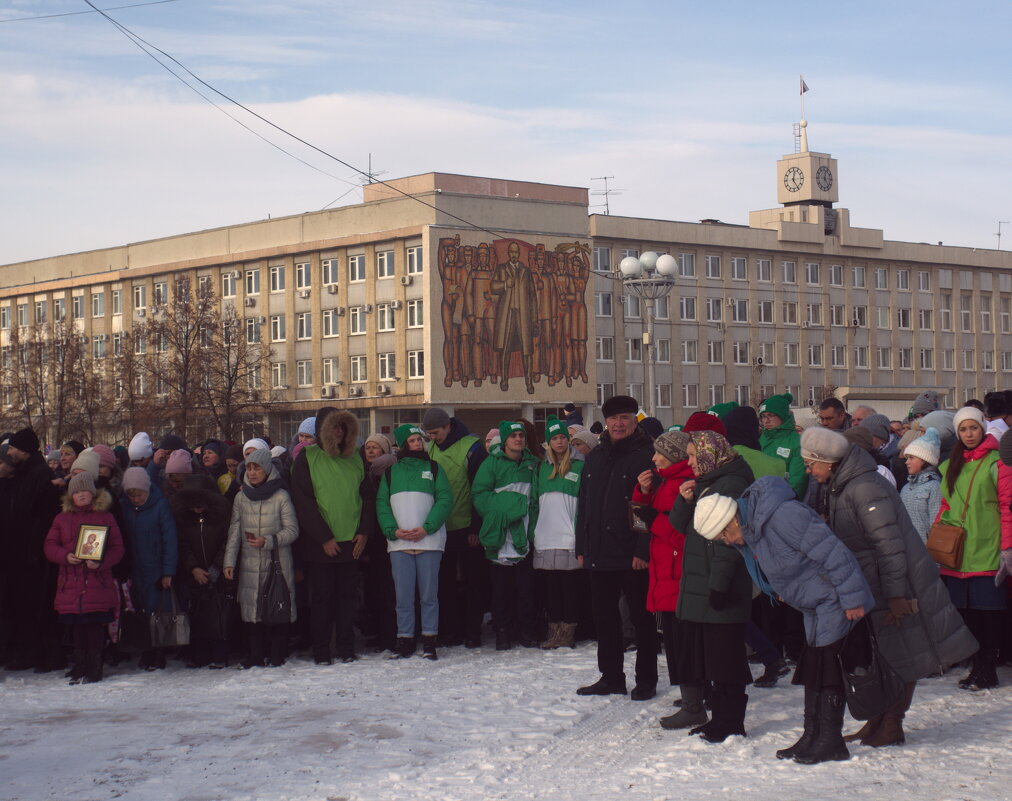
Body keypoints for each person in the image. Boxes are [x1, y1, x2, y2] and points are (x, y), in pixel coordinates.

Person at [799, 426, 978, 746]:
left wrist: (896, 595)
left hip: (898, 583)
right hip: (875, 583)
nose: (808, 470)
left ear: (828, 461)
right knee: (882, 655)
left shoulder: (865, 488)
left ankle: (893, 723)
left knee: (903, 653)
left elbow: (889, 546)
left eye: (811, 463)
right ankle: (877, 720)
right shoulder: (844, 486)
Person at [698, 477, 874, 764]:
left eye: (722, 536)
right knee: (814, 665)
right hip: (812, 602)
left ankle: (831, 740)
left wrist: (853, 597)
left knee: (827, 666)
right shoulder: (752, 528)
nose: (726, 542)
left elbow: (833, 551)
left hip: (833, 597)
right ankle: (812, 734)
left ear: (731, 520)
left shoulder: (783, 515)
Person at [665, 431, 755, 741]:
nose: (688, 462)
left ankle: (730, 722)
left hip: (720, 585)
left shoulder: (730, 486)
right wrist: (683, 499)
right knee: (714, 657)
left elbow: (727, 543)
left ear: (708, 455)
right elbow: (681, 527)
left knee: (726, 658)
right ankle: (721, 719)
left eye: (692, 456)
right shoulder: (709, 484)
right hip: (702, 582)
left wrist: (718, 586)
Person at [575, 395, 657, 701]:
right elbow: (584, 505)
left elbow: (646, 507)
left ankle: (646, 679)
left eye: (625, 418)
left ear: (634, 420)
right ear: (606, 421)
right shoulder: (595, 457)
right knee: (604, 618)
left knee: (641, 620)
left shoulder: (646, 455)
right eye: (614, 418)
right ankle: (611, 677)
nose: (619, 424)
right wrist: (582, 545)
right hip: (598, 552)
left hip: (631, 553)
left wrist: (642, 549)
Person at [935, 406, 1012, 692]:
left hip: (987, 549)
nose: (969, 434)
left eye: (974, 428)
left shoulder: (997, 462)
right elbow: (945, 505)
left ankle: (987, 669)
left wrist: (1007, 547)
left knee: (988, 613)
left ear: (983, 429)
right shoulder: (949, 464)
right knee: (967, 613)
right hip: (957, 553)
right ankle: (977, 667)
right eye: (963, 429)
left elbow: (1008, 507)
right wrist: (938, 536)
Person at [291, 407, 376, 665]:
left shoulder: (356, 458)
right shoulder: (307, 457)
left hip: (351, 543)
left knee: (347, 600)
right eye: (334, 427)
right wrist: (323, 538)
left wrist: (364, 532)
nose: (338, 432)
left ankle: (346, 648)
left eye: (343, 427)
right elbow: (304, 503)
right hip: (320, 545)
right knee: (321, 600)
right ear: (322, 430)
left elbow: (367, 497)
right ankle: (321, 651)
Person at [376, 425, 453, 660]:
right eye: (412, 440)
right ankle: (405, 639)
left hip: (429, 543)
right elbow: (382, 505)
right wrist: (393, 531)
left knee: (429, 595)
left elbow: (445, 500)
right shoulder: (391, 473)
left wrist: (427, 528)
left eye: (419, 440)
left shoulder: (434, 469)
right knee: (403, 597)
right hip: (400, 545)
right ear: (402, 444)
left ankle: (430, 639)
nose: (418, 444)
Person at [43, 472, 125, 684]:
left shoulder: (105, 517)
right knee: (77, 627)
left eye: (84, 491)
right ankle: (79, 665)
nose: (80, 495)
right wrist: (65, 556)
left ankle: (95, 666)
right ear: (71, 495)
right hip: (70, 582)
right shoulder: (61, 518)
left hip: (97, 582)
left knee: (95, 626)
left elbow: (118, 549)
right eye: (76, 491)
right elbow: (49, 546)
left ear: (93, 492)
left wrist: (101, 562)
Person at [631, 431, 693, 705]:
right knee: (674, 639)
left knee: (684, 640)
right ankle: (691, 693)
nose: (654, 458)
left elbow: (682, 535)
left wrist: (653, 517)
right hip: (664, 571)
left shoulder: (684, 485)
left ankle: (696, 694)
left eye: (660, 453)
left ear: (675, 456)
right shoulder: (664, 483)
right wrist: (642, 494)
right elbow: (640, 524)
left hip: (676, 571)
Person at [224, 448, 298, 668]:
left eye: (257, 468)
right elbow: (234, 532)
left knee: (276, 605)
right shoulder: (241, 496)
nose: (253, 472)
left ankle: (277, 654)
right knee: (251, 608)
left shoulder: (281, 495)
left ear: (267, 469)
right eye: (249, 467)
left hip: (277, 561)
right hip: (249, 562)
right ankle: (255, 655)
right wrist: (229, 561)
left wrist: (269, 540)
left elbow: (293, 530)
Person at [423, 406, 488, 648]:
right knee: (445, 583)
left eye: (436, 432)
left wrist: (476, 527)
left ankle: (473, 632)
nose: (432, 437)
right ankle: (450, 630)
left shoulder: (472, 447)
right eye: (428, 433)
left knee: (473, 583)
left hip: (466, 525)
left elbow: (480, 488)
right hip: (440, 527)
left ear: (448, 426)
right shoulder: (429, 448)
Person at [472, 421, 538, 650]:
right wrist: (509, 506)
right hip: (500, 533)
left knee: (526, 587)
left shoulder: (532, 463)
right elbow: (479, 495)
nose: (518, 439)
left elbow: (537, 497)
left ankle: (526, 630)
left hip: (526, 532)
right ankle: (502, 631)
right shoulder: (491, 464)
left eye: (521, 435)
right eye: (513, 436)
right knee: (501, 589)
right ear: (506, 440)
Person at [5, 427, 62, 672]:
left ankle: (39, 655)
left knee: (36, 605)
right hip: (24, 551)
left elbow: (38, 515)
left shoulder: (38, 475)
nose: (9, 452)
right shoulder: (27, 473)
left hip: (35, 553)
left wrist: (34, 550)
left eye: (13, 448)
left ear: (25, 450)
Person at [530, 416, 584, 649]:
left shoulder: (580, 466)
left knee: (570, 588)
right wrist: (534, 530)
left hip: (569, 537)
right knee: (551, 588)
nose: (559, 442)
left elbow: (585, 502)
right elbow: (534, 501)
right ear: (548, 442)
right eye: (555, 438)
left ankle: (568, 632)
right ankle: (554, 631)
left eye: (563, 437)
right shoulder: (542, 467)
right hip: (546, 536)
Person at [120, 466, 178, 671]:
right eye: (132, 495)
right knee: (139, 609)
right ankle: (145, 650)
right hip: (135, 568)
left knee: (158, 611)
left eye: (140, 494)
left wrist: (168, 571)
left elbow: (169, 539)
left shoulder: (160, 506)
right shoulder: (124, 507)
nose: (136, 499)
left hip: (155, 567)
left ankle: (159, 651)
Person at [171, 474, 231, 668]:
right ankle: (200, 653)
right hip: (195, 574)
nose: (197, 508)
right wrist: (193, 567)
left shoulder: (221, 517)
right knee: (197, 614)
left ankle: (220, 654)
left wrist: (218, 566)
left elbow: (227, 541)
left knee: (218, 614)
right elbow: (183, 545)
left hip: (218, 573)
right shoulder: (184, 519)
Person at [758, 392, 807, 498]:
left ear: (782, 416)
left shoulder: (797, 442)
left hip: (784, 500)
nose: (766, 421)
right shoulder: (762, 438)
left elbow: (797, 480)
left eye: (770, 415)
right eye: (763, 416)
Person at [900, 428, 943, 544]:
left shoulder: (934, 487)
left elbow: (936, 525)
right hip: (909, 548)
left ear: (925, 459)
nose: (906, 462)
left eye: (911, 458)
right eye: (907, 458)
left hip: (927, 551)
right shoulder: (906, 488)